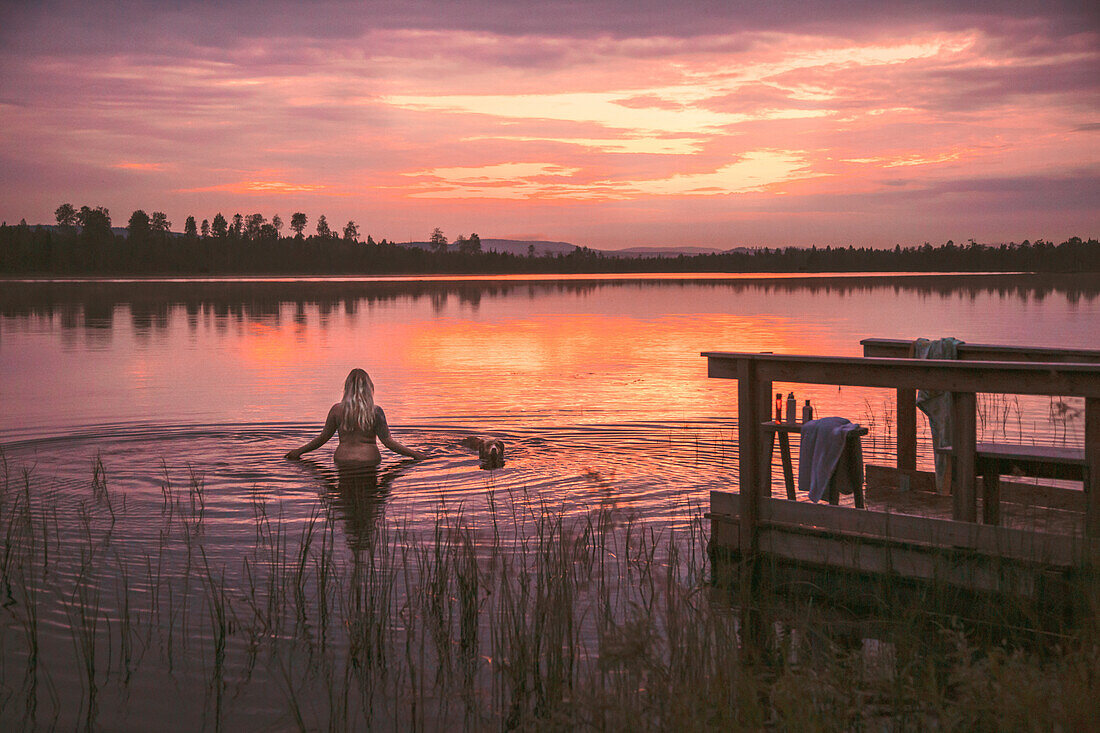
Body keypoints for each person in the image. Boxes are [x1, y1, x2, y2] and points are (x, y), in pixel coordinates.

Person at [285, 368, 428, 464]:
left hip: (342, 460)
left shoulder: (336, 410)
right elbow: (388, 442)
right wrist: (415, 454)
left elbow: (323, 438)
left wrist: (299, 451)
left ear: (347, 387)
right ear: (369, 388)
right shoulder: (376, 411)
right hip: (370, 459)